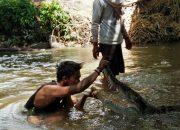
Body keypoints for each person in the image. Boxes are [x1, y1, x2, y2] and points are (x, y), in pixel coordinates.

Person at [24, 58, 108, 125]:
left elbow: (72, 109)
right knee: (58, 117)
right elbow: (79, 88)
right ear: (65, 79)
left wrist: (85, 96)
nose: (79, 81)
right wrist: (99, 69)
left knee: (70, 105)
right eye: (76, 78)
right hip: (33, 113)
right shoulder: (49, 89)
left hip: (49, 112)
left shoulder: (65, 92)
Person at [90, 0, 132, 76]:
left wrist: (126, 37)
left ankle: (106, 87)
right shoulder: (99, 1)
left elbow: (120, 20)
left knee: (114, 73)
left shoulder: (118, 1)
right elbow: (95, 23)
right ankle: (105, 86)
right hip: (106, 43)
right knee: (109, 74)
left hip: (118, 42)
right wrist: (95, 44)